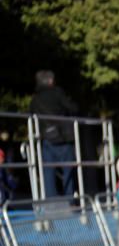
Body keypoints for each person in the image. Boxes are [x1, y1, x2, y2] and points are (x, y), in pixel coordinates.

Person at [29, 70, 79, 199]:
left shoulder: (35, 98)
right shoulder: (57, 93)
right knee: (68, 169)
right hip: (63, 137)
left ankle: (50, 199)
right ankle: (70, 198)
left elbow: (32, 116)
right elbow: (72, 108)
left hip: (45, 138)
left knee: (47, 171)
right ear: (51, 81)